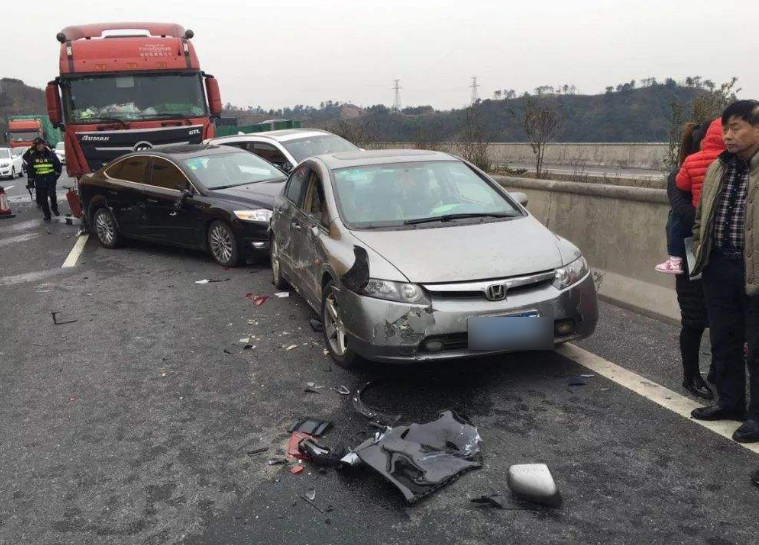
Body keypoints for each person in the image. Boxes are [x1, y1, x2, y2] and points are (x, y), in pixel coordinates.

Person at [690, 100, 759, 445]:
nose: (728, 135)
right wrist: (702, 250)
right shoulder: (720, 166)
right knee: (724, 339)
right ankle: (730, 402)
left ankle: (757, 417)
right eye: (726, 128)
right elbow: (702, 213)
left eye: (737, 127)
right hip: (719, 266)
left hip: (754, 271)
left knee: (757, 347)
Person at [666, 124, 716, 399]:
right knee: (694, 319)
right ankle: (691, 376)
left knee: (723, 318)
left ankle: (717, 371)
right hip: (688, 256)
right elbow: (686, 214)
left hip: (717, 257)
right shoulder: (678, 176)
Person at [23, 137, 62, 221]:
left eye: (40, 144)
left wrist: (55, 177)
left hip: (50, 179)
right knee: (43, 199)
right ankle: (47, 215)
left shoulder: (51, 154)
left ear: (44, 145)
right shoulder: (33, 156)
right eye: (37, 145)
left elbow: (58, 166)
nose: (38, 146)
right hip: (40, 181)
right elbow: (30, 170)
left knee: (52, 196)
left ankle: (54, 209)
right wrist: (30, 182)